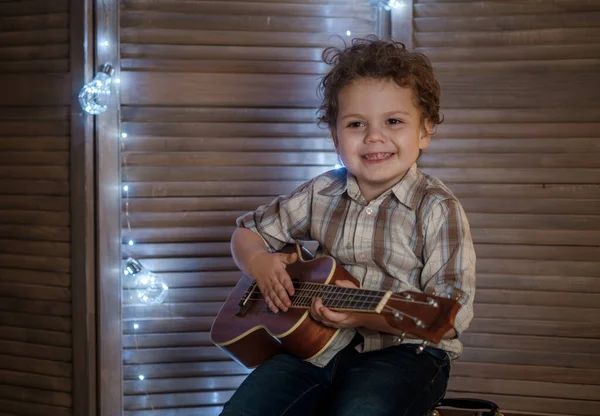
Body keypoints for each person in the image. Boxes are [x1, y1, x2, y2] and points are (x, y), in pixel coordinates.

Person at [220, 35, 476, 416]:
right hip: (313, 347)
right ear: (335, 136)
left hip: (406, 351)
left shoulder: (437, 207)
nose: (374, 137)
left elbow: (452, 310)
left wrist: (361, 314)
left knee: (363, 409)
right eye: (356, 124)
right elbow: (247, 232)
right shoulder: (321, 191)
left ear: (424, 130)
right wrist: (259, 263)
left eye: (393, 121)